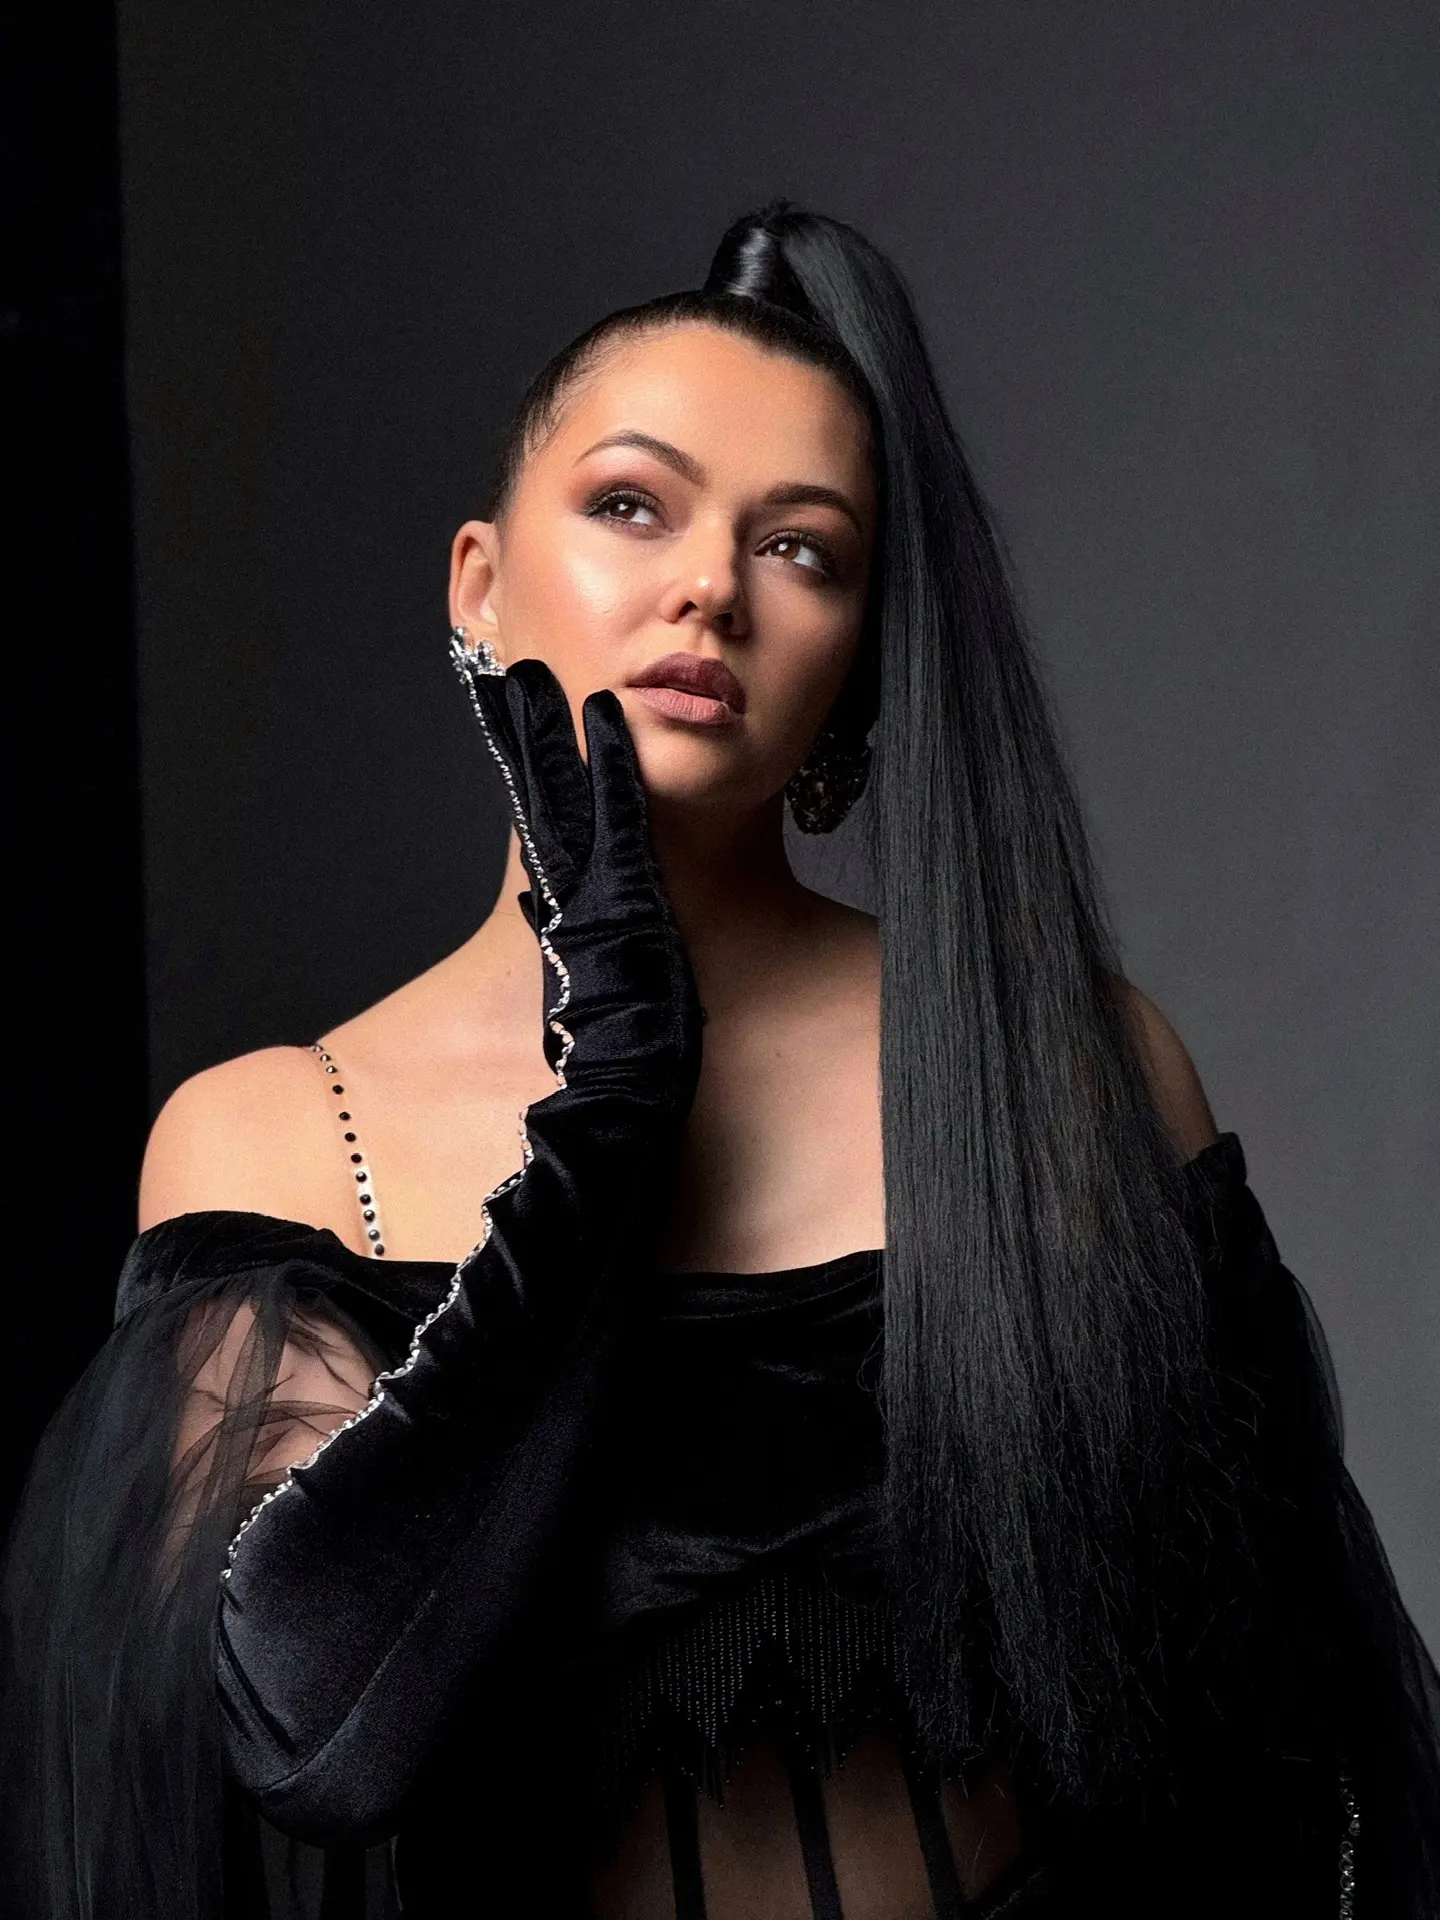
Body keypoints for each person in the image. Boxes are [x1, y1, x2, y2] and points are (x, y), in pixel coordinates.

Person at [3, 204, 1437, 1920]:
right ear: (479, 582)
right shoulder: (280, 1138)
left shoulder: (1065, 1071)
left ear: (855, 659)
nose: (710, 588)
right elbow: (320, 1742)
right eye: (632, 505)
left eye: (803, 548)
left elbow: (1284, 1748)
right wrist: (615, 1103)